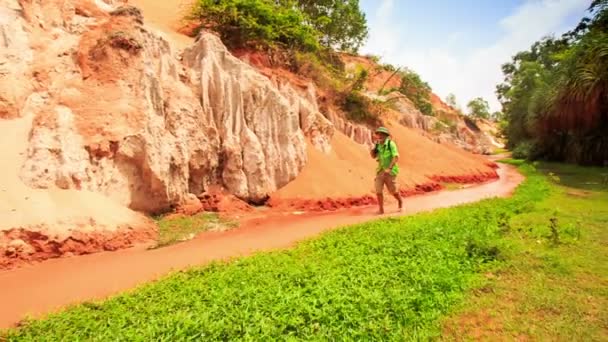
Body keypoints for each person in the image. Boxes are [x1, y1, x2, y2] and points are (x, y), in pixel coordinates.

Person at [370, 127, 403, 214]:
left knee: (393, 191)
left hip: (390, 171)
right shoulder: (378, 145)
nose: (380, 136)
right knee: (378, 190)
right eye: (378, 134)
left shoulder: (390, 144)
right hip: (380, 170)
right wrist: (372, 150)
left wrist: (390, 168)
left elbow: (396, 157)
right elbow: (373, 156)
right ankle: (381, 209)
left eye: (382, 134)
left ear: (386, 136)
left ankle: (400, 202)